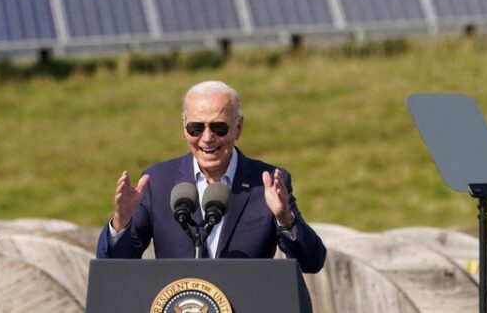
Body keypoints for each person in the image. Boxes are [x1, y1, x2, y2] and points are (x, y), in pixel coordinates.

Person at [96, 80, 326, 273]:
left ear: (238, 127)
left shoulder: (266, 184)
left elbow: (312, 262)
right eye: (196, 128)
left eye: (219, 128)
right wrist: (121, 222)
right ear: (184, 126)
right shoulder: (158, 182)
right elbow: (114, 265)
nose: (207, 138)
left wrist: (285, 219)